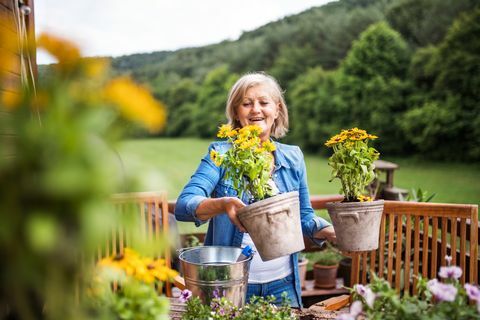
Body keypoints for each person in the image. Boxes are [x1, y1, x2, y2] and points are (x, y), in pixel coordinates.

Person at [174, 72, 336, 308]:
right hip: (232, 286)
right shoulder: (221, 154)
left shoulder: (293, 157)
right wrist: (223, 204)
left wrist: (332, 232)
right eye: (246, 103)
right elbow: (183, 205)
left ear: (277, 109)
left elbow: (304, 217)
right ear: (236, 113)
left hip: (284, 285)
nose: (255, 110)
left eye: (263, 102)